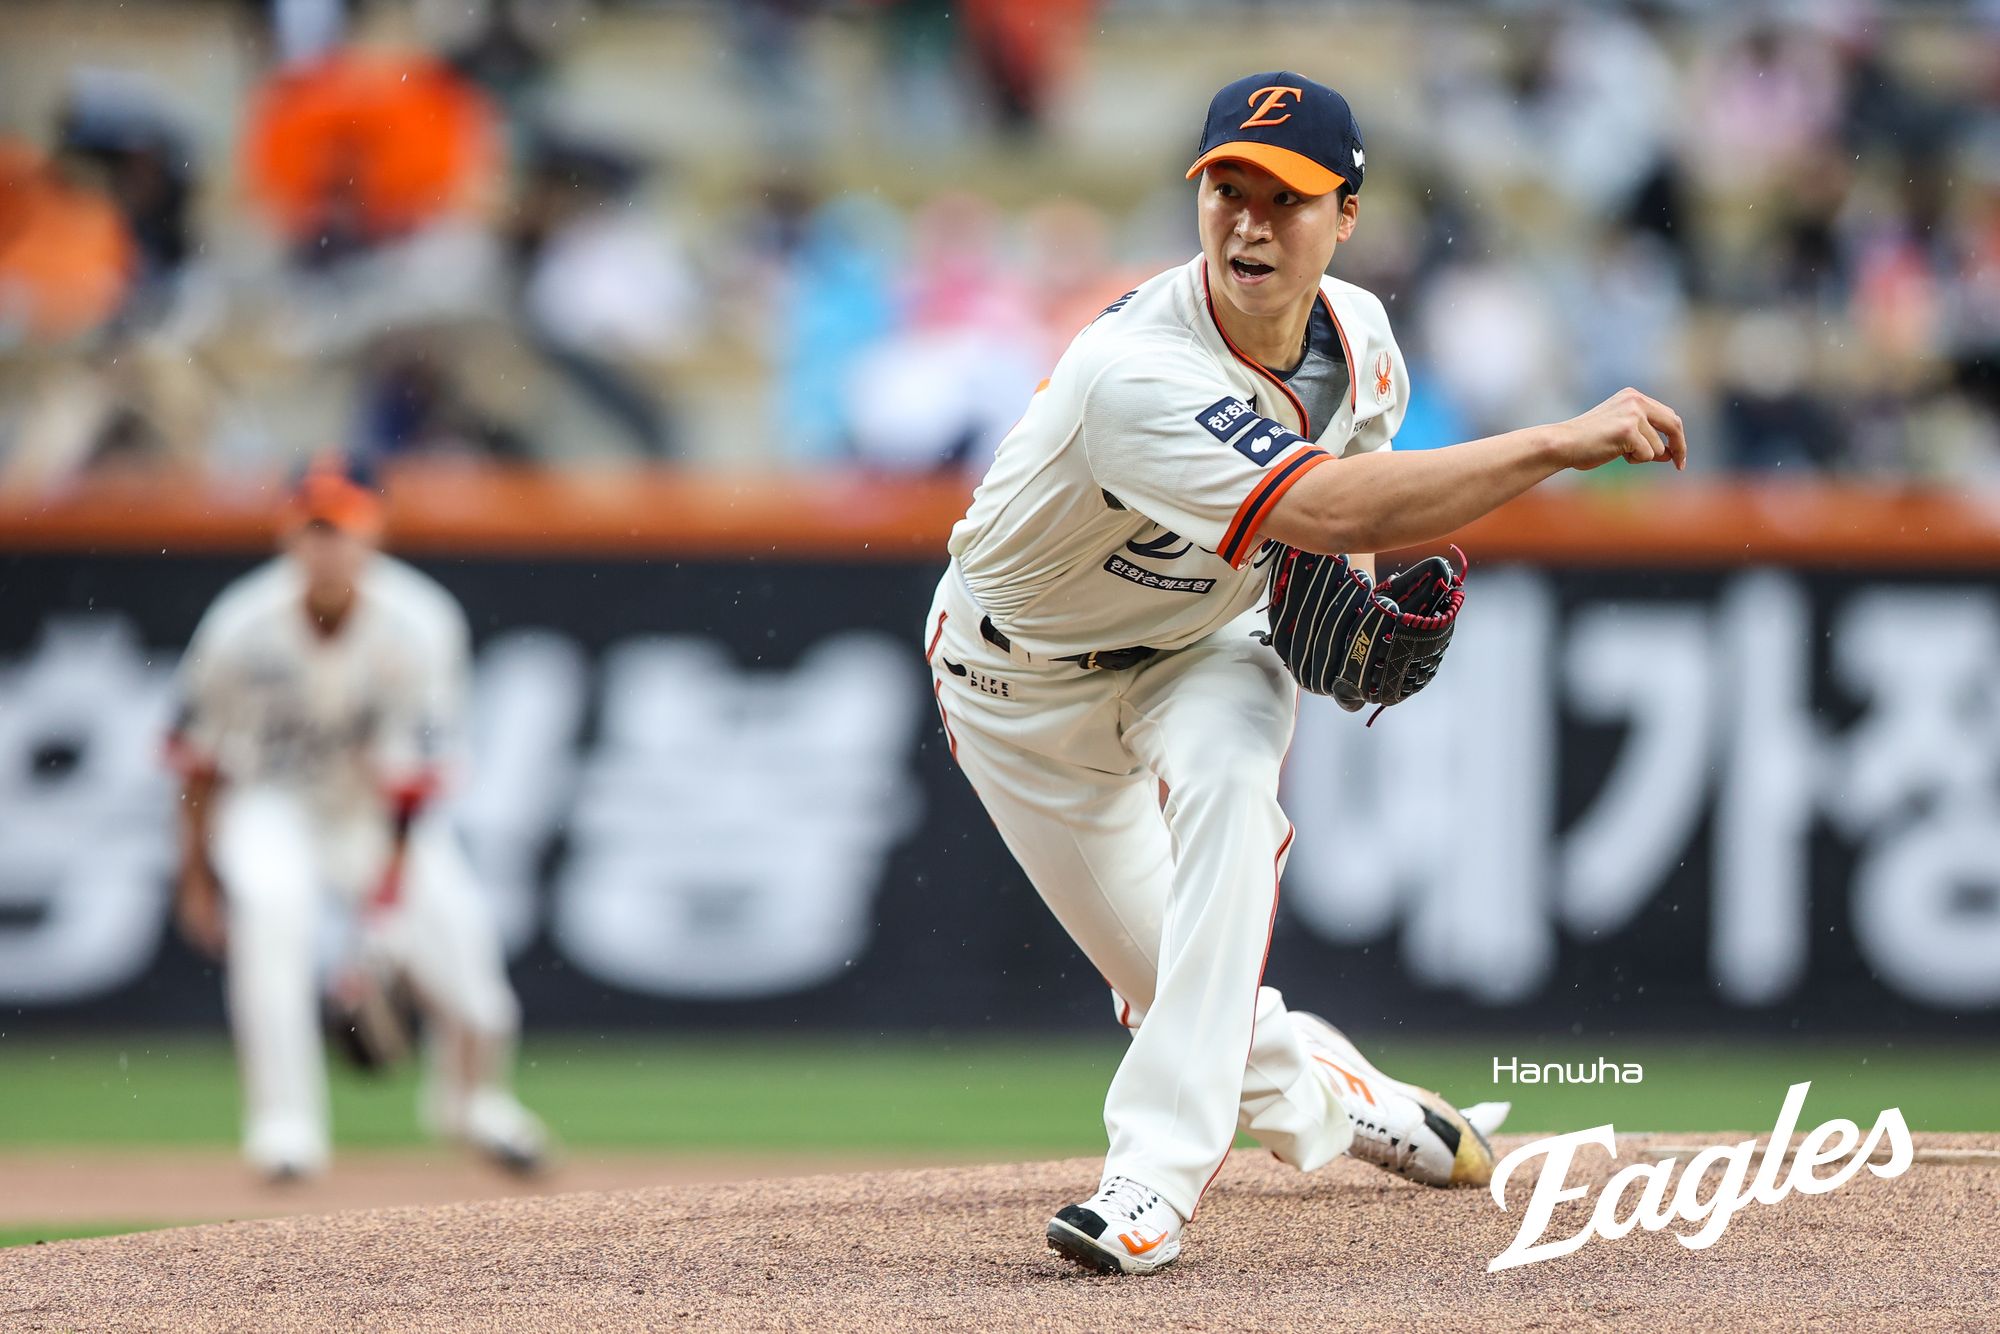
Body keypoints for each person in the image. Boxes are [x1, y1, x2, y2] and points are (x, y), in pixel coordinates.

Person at [922, 71, 1686, 1275]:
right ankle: (1349, 1097)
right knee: (1171, 978)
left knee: (1232, 787)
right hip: (1019, 688)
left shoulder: (1364, 344)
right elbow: (1324, 504)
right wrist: (1551, 441)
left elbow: (1354, 522)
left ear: (1344, 216)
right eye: (1225, 188)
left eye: (1284, 197)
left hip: (1207, 651)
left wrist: (1368, 590)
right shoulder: (1134, 370)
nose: (1247, 221)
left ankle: (1150, 1182)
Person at [167, 457, 549, 1181]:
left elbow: (418, 779)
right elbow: (196, 761)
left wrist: (383, 911)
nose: (327, 547)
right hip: (273, 804)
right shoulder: (239, 625)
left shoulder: (421, 622)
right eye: (313, 529)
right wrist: (193, 878)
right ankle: (285, 1129)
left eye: (340, 528)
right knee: (272, 917)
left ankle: (475, 1105)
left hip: (379, 817)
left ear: (372, 531)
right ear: (288, 534)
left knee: (476, 992)